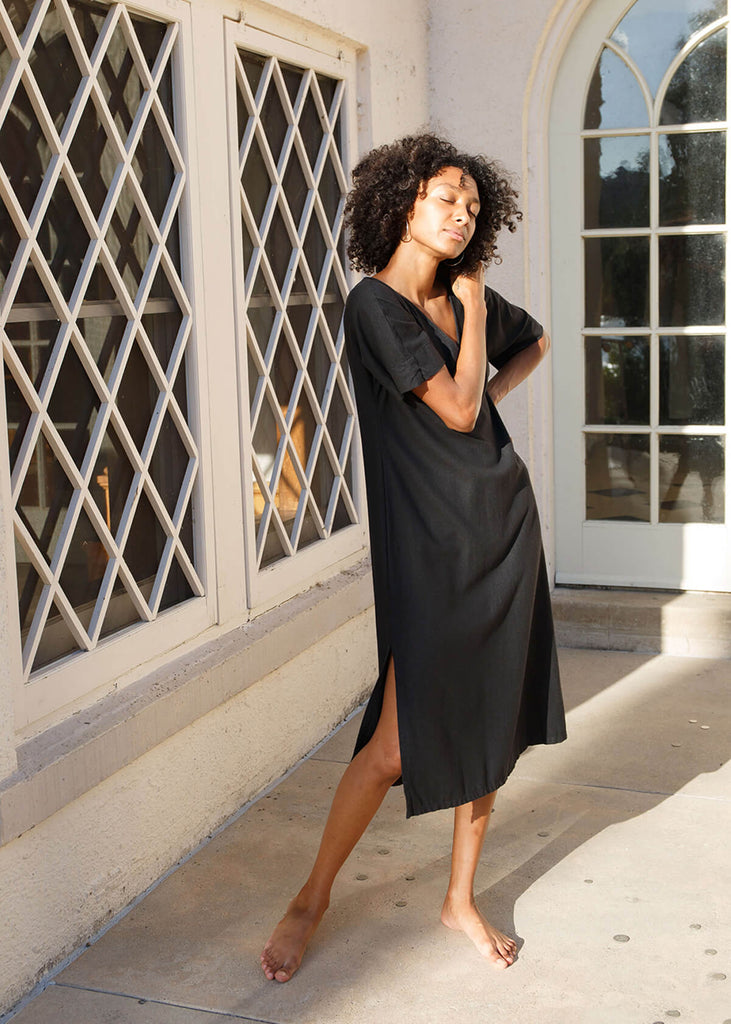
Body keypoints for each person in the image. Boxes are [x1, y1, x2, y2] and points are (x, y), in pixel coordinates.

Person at [261, 133, 567, 983]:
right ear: (400, 203)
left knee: (491, 730)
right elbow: (460, 411)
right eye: (445, 198)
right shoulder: (374, 306)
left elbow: (532, 344)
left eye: (473, 206)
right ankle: (311, 897)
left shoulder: (464, 299)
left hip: (501, 528)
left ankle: (458, 898)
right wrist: (471, 316)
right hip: (432, 547)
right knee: (394, 746)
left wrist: (479, 350)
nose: (461, 216)